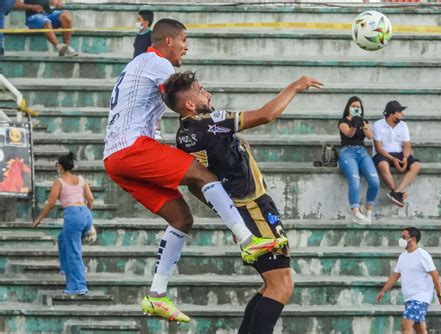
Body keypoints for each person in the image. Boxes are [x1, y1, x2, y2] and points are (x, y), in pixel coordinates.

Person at [103, 18, 286, 323]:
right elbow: (180, 99)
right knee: (204, 176)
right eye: (184, 40)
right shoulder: (158, 63)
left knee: (181, 217)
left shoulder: (140, 64)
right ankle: (247, 239)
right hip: (131, 147)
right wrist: (213, 119)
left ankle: (157, 295)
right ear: (169, 41)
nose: (186, 47)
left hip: (115, 159)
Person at [162, 71, 323, 334]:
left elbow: (194, 185)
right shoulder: (210, 122)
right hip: (254, 206)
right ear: (190, 104)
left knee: (271, 285)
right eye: (201, 90)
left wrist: (233, 220)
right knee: (281, 286)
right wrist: (296, 85)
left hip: (244, 210)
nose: (208, 94)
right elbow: (266, 114)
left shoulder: (183, 135)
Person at [33, 152, 94, 295]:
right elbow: (90, 199)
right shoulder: (80, 179)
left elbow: (51, 204)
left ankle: (79, 286)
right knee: (62, 238)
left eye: (56, 165)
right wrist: (86, 215)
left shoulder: (59, 182)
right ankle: (67, 269)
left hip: (73, 215)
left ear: (60, 166)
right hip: (85, 212)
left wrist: (39, 219)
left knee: (74, 252)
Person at [376, 227, 441, 334]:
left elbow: (435, 276)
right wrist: (383, 291)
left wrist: (440, 295)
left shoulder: (422, 255)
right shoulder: (402, 256)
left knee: (406, 327)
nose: (401, 240)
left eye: (404, 237)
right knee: (420, 329)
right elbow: (394, 276)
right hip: (409, 298)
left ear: (413, 239)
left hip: (420, 298)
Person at [338, 96, 379, 224]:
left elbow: (370, 136)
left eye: (358, 107)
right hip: (347, 152)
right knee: (354, 179)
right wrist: (354, 124)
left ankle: (368, 210)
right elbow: (349, 134)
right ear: (348, 107)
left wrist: (363, 125)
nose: (356, 108)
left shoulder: (364, 121)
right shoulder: (343, 121)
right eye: (354, 106)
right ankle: (356, 212)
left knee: (374, 181)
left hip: (361, 151)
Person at [372, 100, 421, 208]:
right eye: (399, 112)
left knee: (416, 166)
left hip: (399, 153)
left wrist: (405, 158)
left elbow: (407, 146)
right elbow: (378, 148)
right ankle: (396, 193)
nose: (402, 114)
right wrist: (393, 159)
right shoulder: (378, 125)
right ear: (391, 114)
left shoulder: (403, 125)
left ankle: (396, 193)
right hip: (383, 154)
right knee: (383, 165)